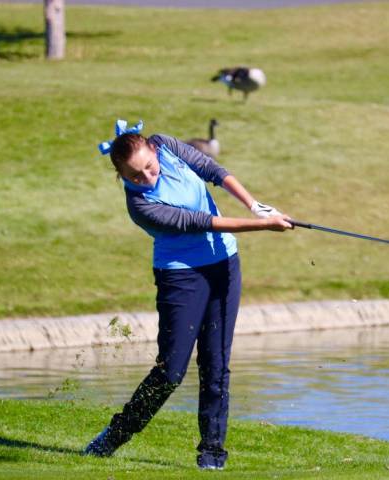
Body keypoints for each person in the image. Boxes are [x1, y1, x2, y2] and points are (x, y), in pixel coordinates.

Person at [84, 119, 292, 470]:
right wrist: (264, 225)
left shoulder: (167, 145)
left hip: (225, 264)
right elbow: (200, 222)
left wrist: (255, 205)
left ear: (155, 149)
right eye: (136, 177)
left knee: (216, 366)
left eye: (150, 168)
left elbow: (212, 169)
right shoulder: (142, 207)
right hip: (181, 278)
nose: (148, 178)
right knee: (170, 372)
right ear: (121, 177)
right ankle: (114, 436)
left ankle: (212, 455)